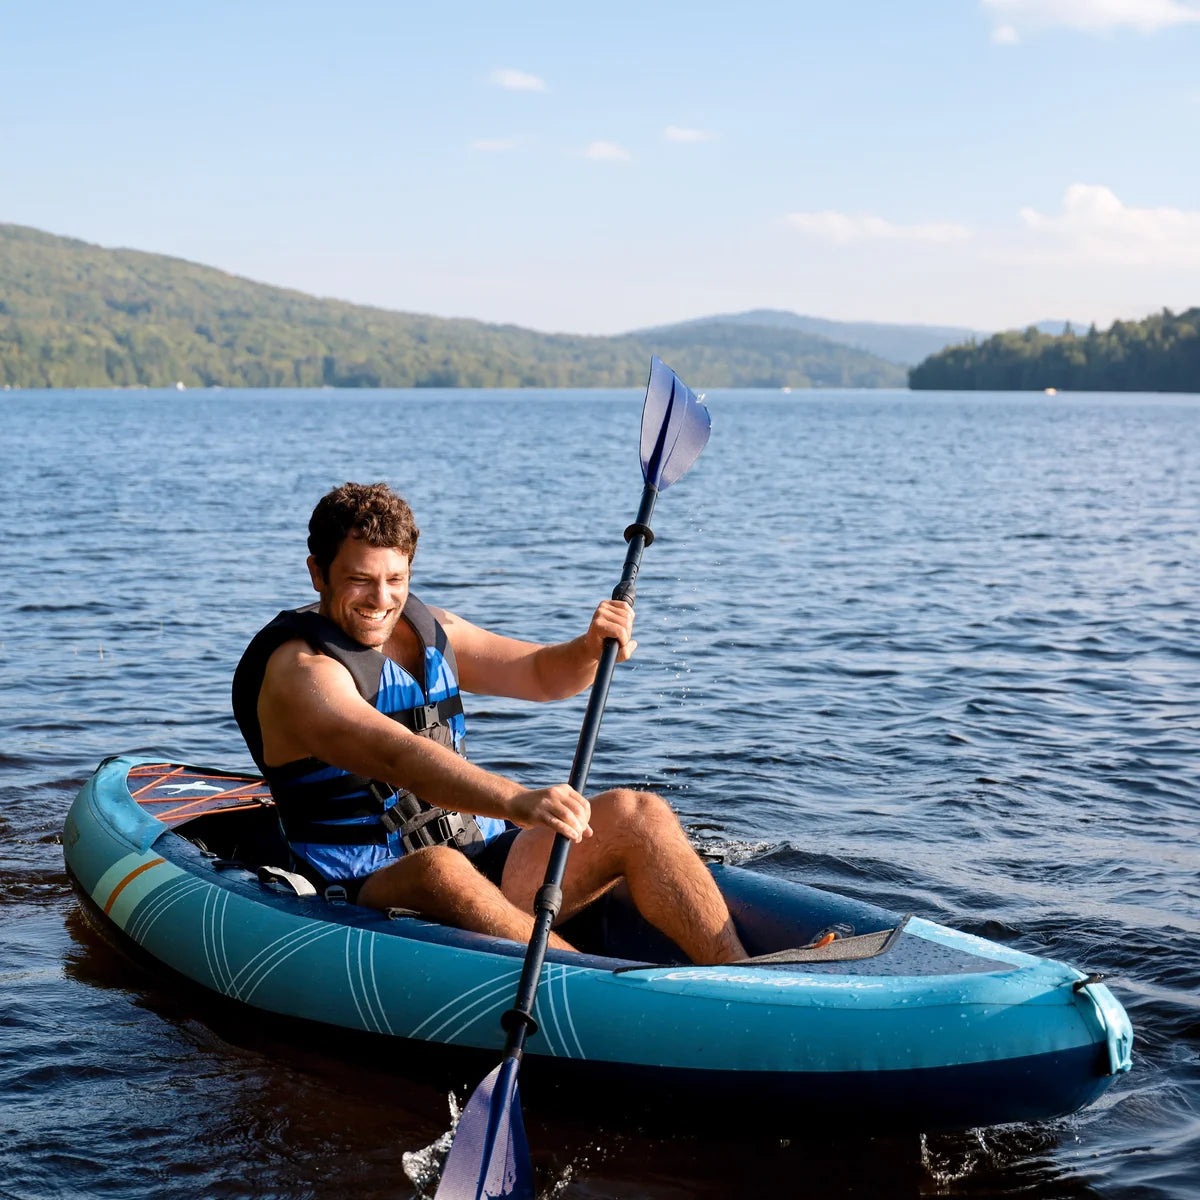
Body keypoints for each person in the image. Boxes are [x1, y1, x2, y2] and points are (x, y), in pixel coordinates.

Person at [232, 481, 746, 965]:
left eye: (395, 580)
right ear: (318, 573)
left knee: (640, 813)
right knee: (441, 868)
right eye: (359, 580)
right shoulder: (301, 673)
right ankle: (591, 987)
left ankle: (743, 975)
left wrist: (589, 650)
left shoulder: (431, 628)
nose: (381, 600)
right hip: (362, 888)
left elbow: (540, 674)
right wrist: (517, 799)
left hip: (481, 850)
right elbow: (398, 756)